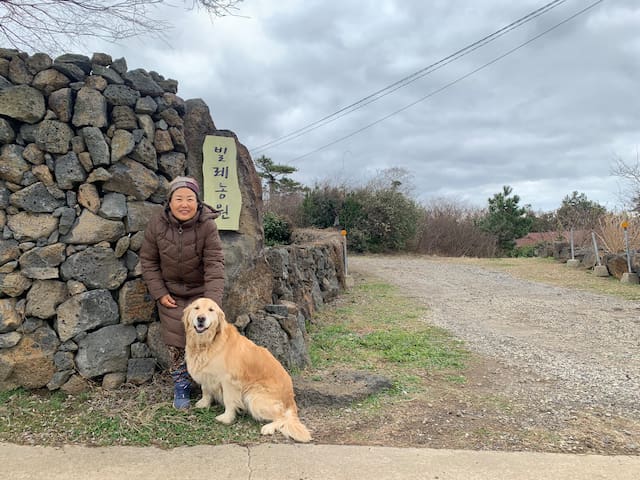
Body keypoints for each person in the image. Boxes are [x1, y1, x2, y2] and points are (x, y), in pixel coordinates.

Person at [140, 176, 225, 409]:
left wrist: (211, 302)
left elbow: (215, 263)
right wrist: (159, 292)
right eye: (179, 198)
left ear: (198, 202)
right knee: (177, 339)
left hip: (202, 293)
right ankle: (182, 385)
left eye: (190, 199)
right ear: (169, 202)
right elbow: (148, 260)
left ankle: (211, 385)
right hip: (171, 293)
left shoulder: (207, 225)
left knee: (208, 335)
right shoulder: (157, 223)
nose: (184, 204)